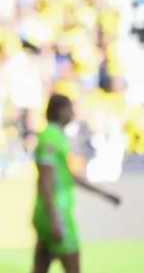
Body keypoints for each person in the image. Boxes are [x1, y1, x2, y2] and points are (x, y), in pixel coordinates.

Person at [31, 94, 122, 273]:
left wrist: (104, 194)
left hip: (48, 212)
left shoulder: (55, 136)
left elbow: (69, 177)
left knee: (40, 268)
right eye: (69, 109)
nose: (73, 113)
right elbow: (45, 180)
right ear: (59, 110)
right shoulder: (50, 138)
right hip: (57, 212)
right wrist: (54, 218)